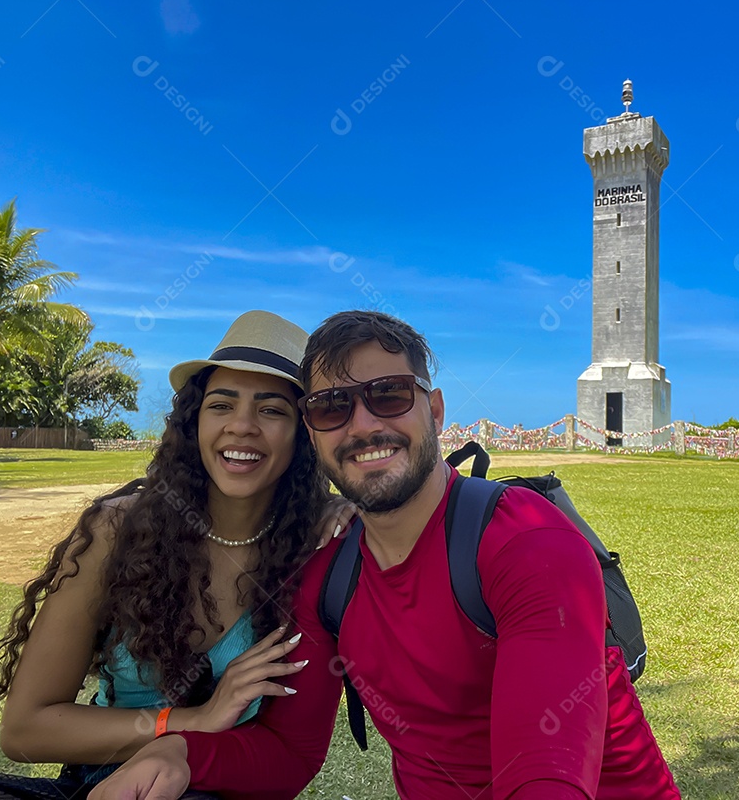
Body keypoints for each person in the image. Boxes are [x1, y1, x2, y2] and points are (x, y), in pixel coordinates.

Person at [90, 310, 681, 799]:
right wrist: (176, 752)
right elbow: (288, 753)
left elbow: (545, 777)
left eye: (389, 395)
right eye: (332, 407)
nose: (363, 425)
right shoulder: (328, 577)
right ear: (312, 432)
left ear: (436, 410)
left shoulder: (527, 542)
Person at [0, 311, 352, 800]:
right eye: (221, 405)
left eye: (271, 410)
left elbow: (293, 750)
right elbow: (25, 730)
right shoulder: (118, 531)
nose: (242, 426)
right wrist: (193, 720)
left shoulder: (317, 548)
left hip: (219, 785)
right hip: (98, 785)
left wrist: (350, 506)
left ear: (304, 434)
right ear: (194, 421)